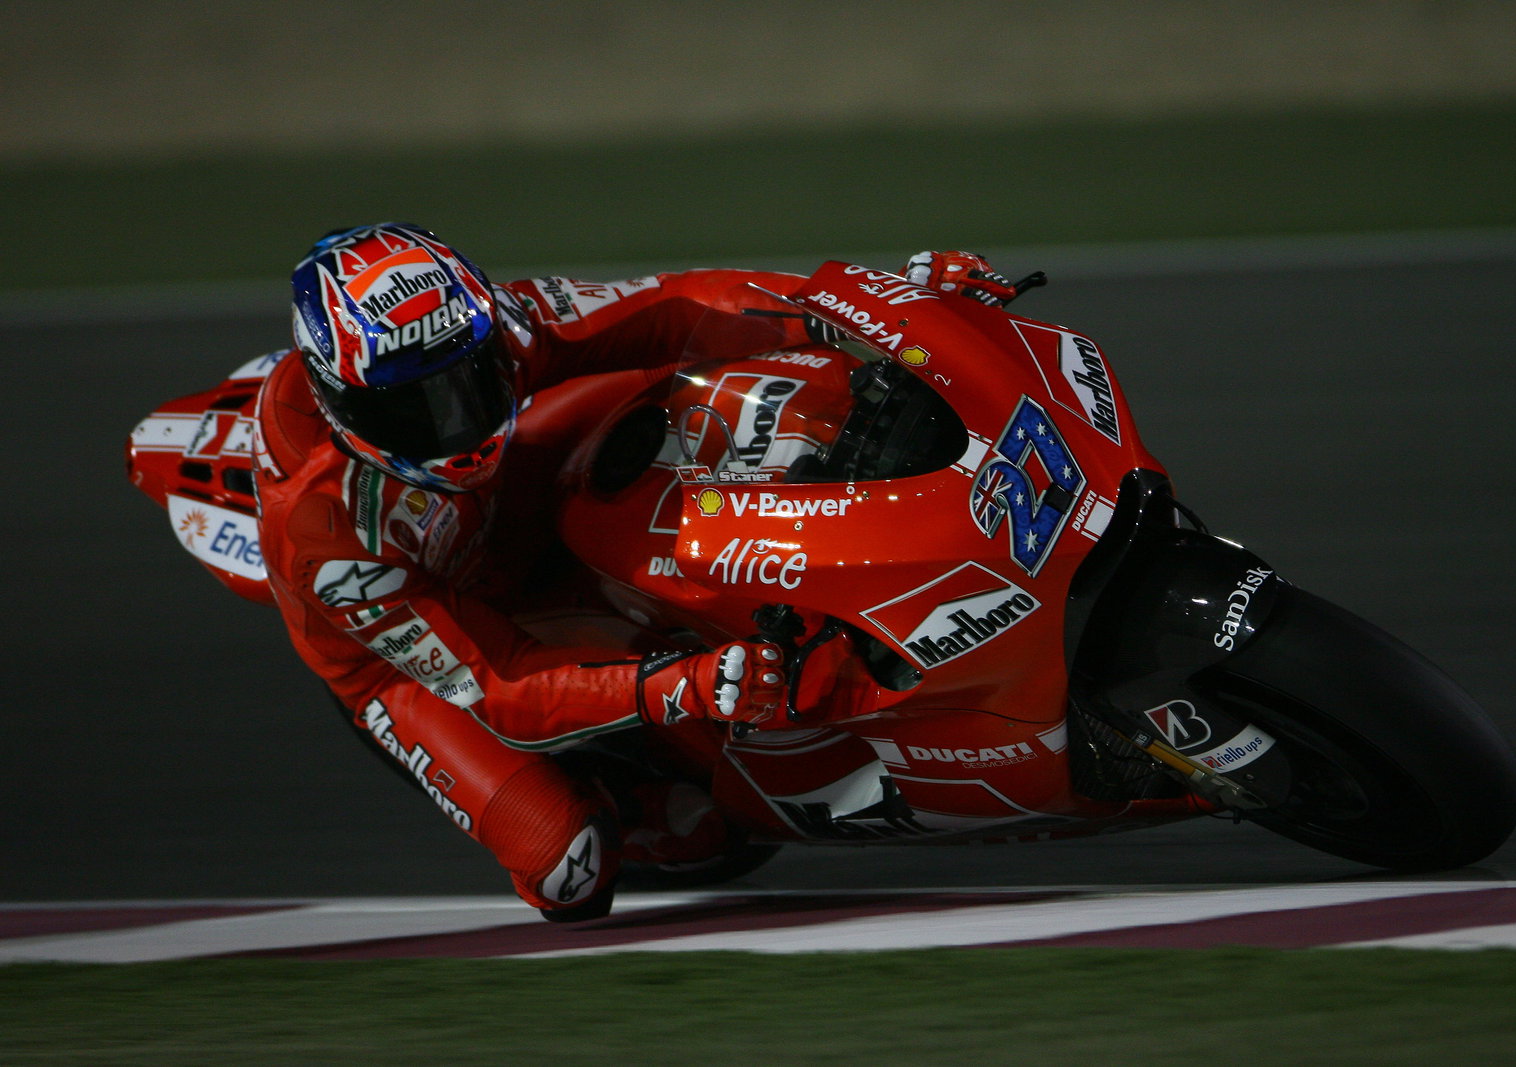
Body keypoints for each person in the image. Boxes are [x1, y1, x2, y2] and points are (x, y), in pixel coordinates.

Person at [253, 222, 1016, 920]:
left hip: (512, 498)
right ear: (337, 401)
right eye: (414, 409)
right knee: (570, 868)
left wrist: (870, 311)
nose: (458, 420)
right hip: (419, 658)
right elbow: (500, 684)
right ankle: (628, 789)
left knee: (729, 382)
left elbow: (670, 306)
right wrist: (682, 685)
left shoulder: (503, 325)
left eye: (470, 377)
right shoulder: (327, 531)